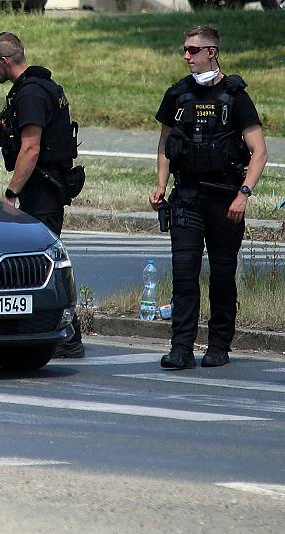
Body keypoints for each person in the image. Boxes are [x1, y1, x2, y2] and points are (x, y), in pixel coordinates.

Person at [150, 25, 268, 369]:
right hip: (186, 197)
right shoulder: (177, 95)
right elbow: (164, 146)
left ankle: (218, 346)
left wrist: (244, 193)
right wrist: (160, 184)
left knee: (221, 275)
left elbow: (258, 152)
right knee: (184, 274)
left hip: (225, 201)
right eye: (185, 50)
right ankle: (181, 347)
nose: (186, 55)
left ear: (211, 52)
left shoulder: (236, 97)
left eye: (192, 50)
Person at [0, 31, 84, 359]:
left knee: (40, 263)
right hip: (46, 186)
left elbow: (30, 148)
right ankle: (58, 334)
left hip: (41, 191)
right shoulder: (43, 87)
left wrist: (11, 192)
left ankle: (67, 336)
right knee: (39, 262)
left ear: (5, 60)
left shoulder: (29, 94)